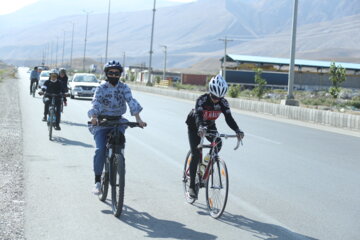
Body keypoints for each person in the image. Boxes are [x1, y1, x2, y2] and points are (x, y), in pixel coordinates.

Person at [88, 60, 147, 195]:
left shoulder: (124, 87)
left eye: (116, 73)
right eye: (111, 73)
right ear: (106, 74)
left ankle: (118, 164)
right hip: (102, 122)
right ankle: (97, 181)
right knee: (100, 149)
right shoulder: (101, 88)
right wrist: (94, 117)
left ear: (120, 74)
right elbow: (95, 102)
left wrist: (138, 120)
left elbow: (131, 102)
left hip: (118, 121)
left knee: (119, 147)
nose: (114, 75)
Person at [185, 74, 244, 199]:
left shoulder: (223, 102)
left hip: (210, 125)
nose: (217, 99)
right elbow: (199, 116)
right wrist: (201, 128)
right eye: (215, 96)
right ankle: (191, 187)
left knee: (218, 143)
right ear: (210, 92)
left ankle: (205, 164)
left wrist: (237, 130)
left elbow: (229, 118)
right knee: (196, 153)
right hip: (195, 126)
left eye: (220, 97)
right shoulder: (201, 100)